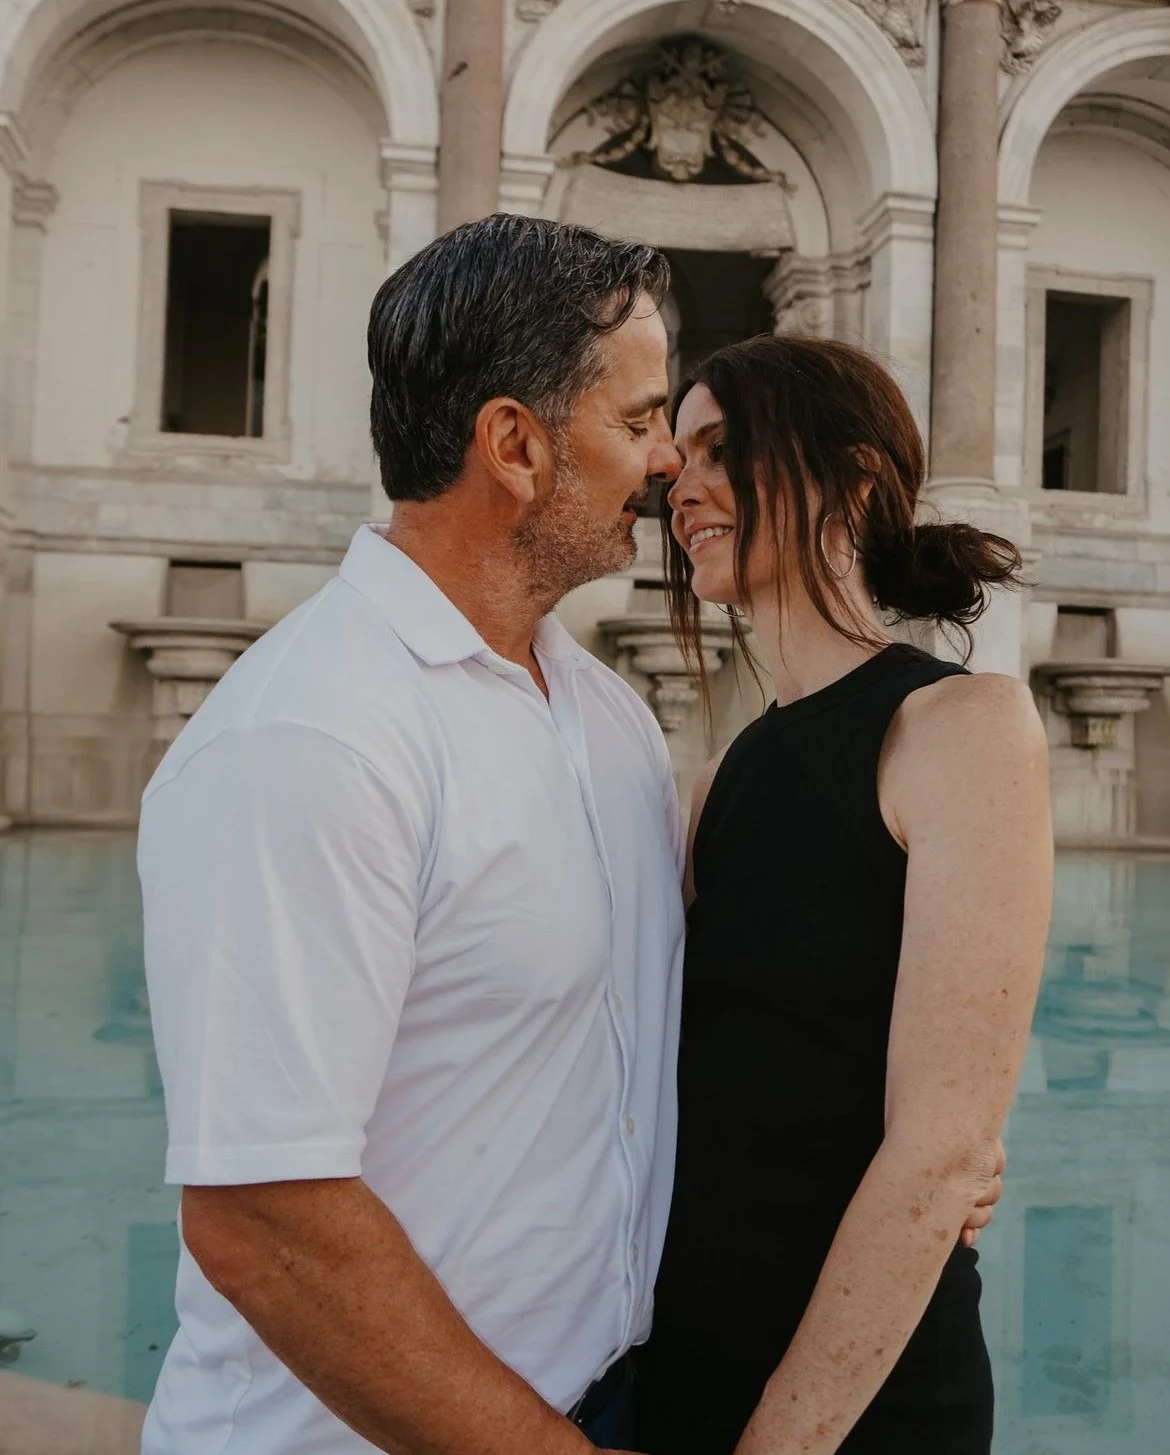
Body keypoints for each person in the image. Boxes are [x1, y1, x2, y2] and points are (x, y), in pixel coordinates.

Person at [138, 217, 1001, 1455]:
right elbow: (262, 1215)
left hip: (623, 1400)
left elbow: (707, 1034)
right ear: (515, 446)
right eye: (644, 420)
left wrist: (934, 1144)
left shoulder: (612, 724)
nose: (669, 465)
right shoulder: (309, 737)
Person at [634, 335, 1053, 1455]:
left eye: (722, 449)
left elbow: (941, 1151)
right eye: (680, 456)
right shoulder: (717, 783)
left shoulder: (962, 729)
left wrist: (780, 1443)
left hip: (866, 1401)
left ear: (854, 478)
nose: (682, 485)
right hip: (686, 1366)